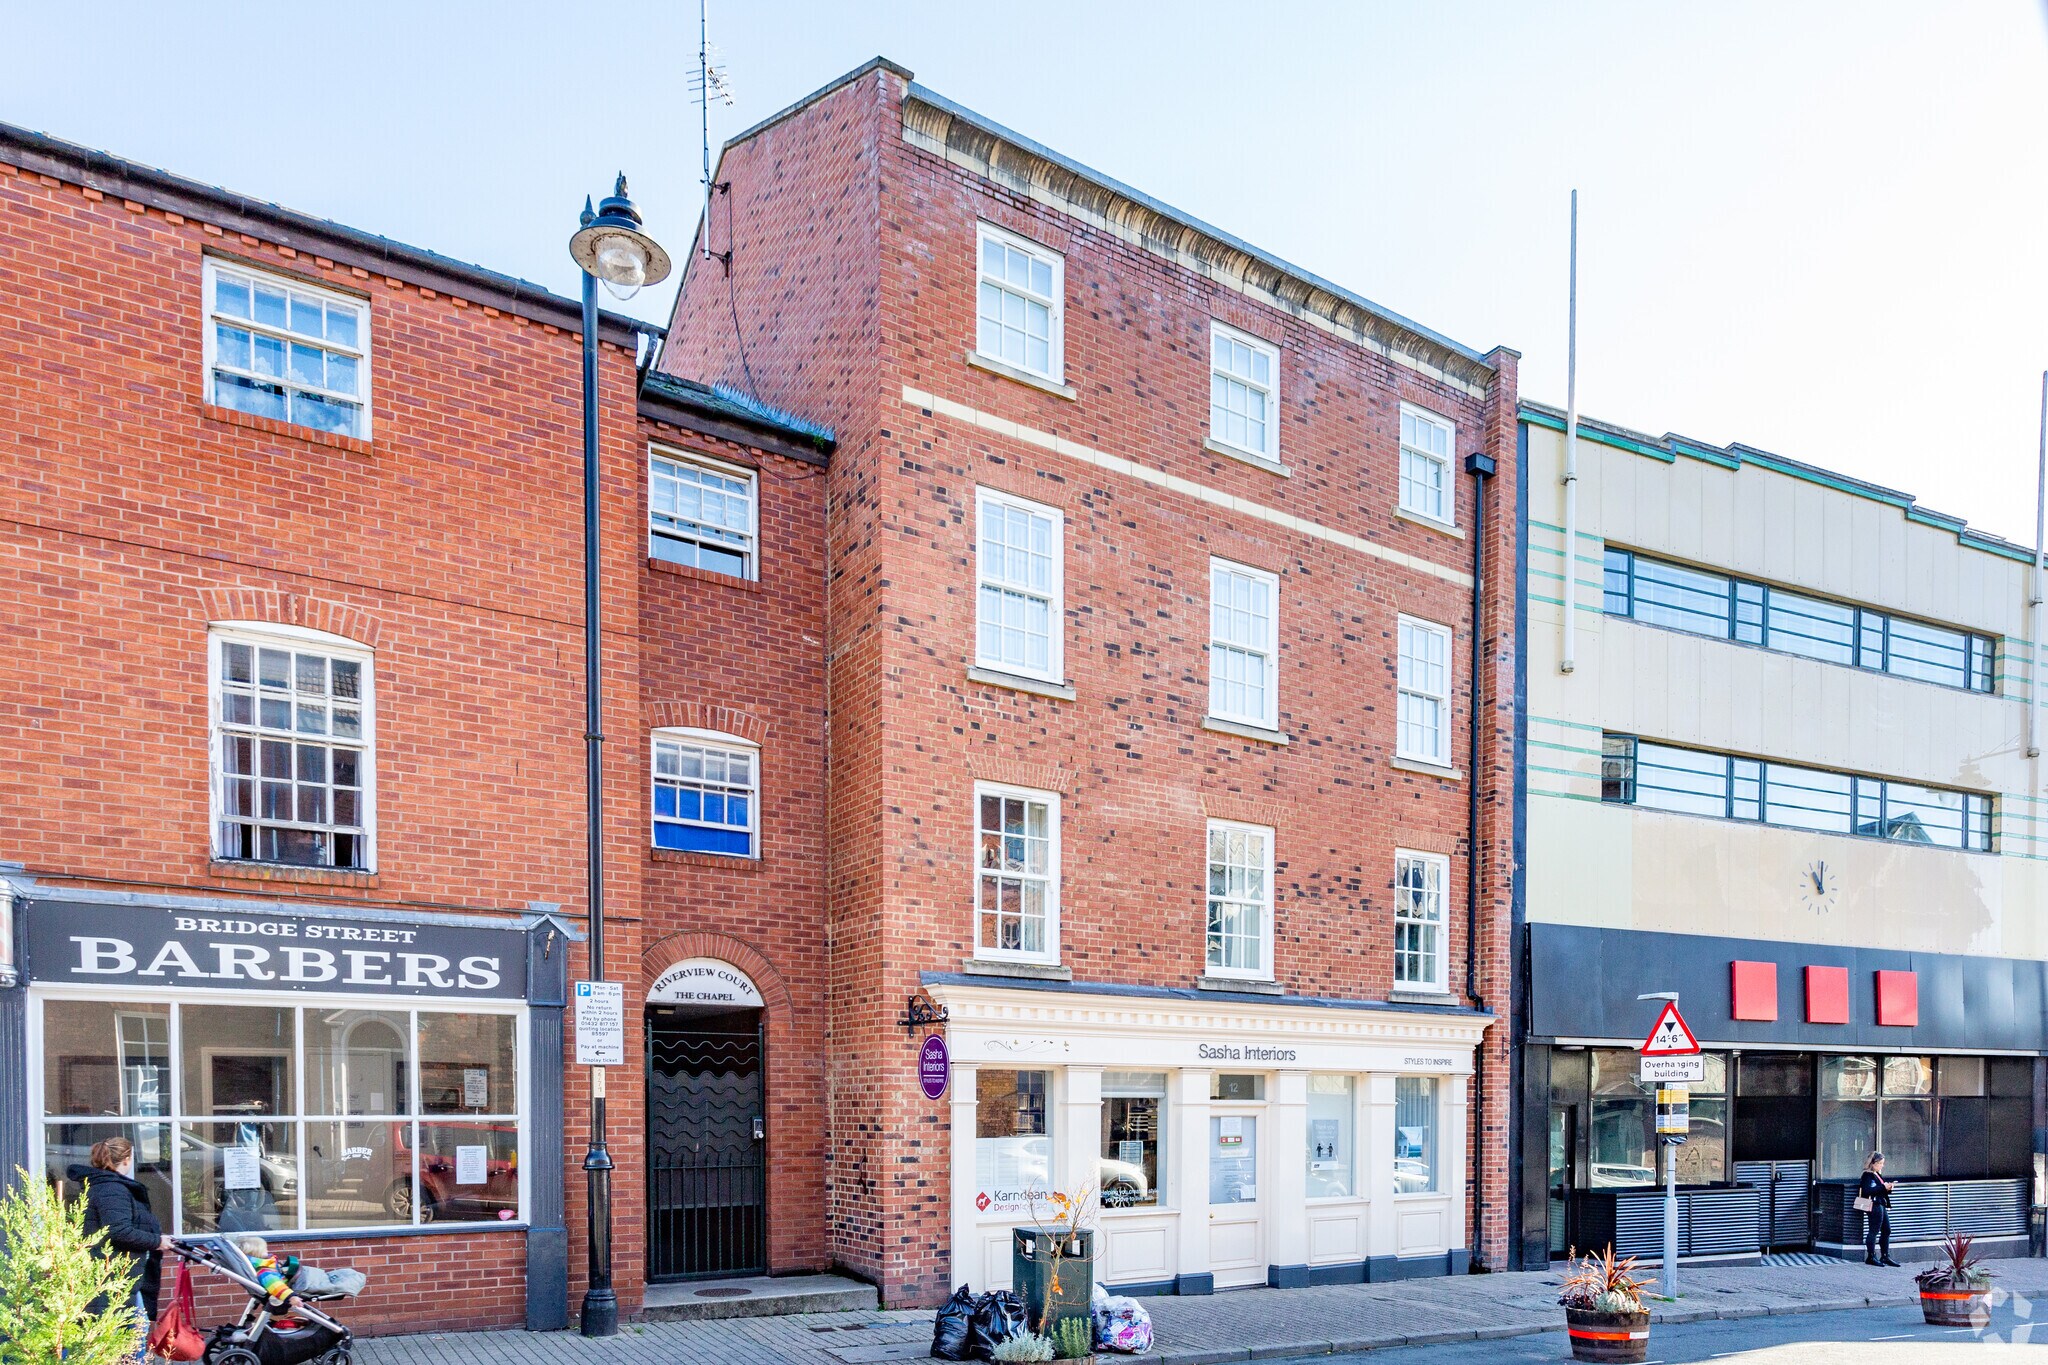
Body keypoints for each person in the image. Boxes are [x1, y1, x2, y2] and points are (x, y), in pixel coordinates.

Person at [68, 1136, 175, 1334]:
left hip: (117, 1276)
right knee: (130, 1338)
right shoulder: (113, 1189)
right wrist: (156, 1241)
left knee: (135, 1332)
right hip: (114, 1276)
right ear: (126, 1159)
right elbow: (118, 1231)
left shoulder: (101, 1186)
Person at [1860, 1151, 1899, 1267]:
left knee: (1887, 1229)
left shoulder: (1877, 1174)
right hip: (1874, 1205)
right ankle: (1871, 1256)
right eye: (1880, 1163)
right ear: (1873, 1163)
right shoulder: (1867, 1175)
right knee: (1874, 1230)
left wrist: (1888, 1188)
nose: (1882, 1165)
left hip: (1881, 1203)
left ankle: (1885, 1256)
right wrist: (1883, 1186)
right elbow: (1867, 1190)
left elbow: (1879, 1189)